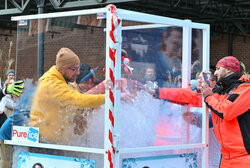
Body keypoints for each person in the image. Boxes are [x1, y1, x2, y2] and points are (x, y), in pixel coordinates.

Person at [29, 48, 105, 145]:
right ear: (62, 68)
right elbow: (81, 100)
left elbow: (62, 106)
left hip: (49, 141)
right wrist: (111, 97)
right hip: (44, 143)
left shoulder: (57, 79)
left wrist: (77, 117)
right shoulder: (52, 84)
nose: (78, 73)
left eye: (78, 68)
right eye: (74, 69)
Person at [201, 56, 250, 168]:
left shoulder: (245, 89)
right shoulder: (220, 91)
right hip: (225, 158)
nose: (216, 73)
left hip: (244, 158)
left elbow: (226, 111)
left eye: (218, 69)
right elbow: (190, 97)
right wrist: (158, 92)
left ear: (228, 69)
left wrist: (208, 97)